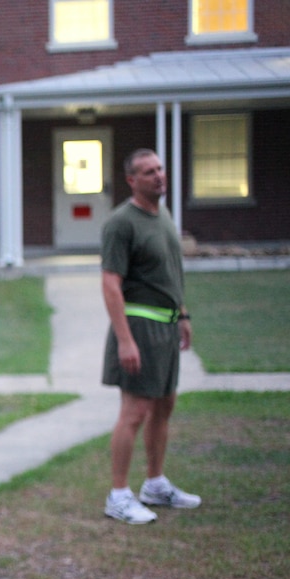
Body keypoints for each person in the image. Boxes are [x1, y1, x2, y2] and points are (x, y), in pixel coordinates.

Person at [101, 148, 201, 524]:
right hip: (139, 324)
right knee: (134, 411)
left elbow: (171, 271)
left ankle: (155, 485)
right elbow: (111, 284)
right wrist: (125, 339)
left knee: (164, 406)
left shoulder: (164, 216)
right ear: (131, 180)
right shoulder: (121, 223)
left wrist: (184, 314)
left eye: (160, 168)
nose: (158, 176)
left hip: (167, 324)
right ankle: (118, 495)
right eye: (148, 172)